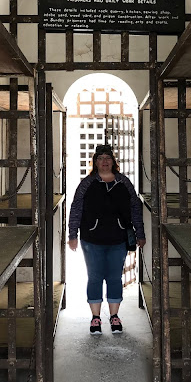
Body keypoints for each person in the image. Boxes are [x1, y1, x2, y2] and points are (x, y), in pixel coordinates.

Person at [68, 144, 146, 335]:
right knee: (94, 277)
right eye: (100, 158)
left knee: (114, 277)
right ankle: (95, 318)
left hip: (118, 238)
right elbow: (76, 208)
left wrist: (140, 233)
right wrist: (72, 235)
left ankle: (114, 316)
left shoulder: (124, 182)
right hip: (92, 239)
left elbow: (135, 208)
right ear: (95, 162)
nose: (104, 161)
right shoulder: (87, 184)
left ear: (113, 161)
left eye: (108, 158)